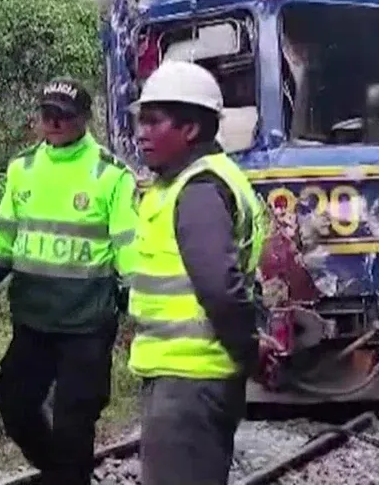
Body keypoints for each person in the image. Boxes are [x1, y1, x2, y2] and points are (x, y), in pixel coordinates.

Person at [0, 78, 137, 485]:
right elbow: (3, 238)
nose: (55, 122)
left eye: (64, 115)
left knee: (75, 420)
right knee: (13, 403)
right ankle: (62, 472)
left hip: (87, 323)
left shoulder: (111, 175)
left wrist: (138, 310)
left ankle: (67, 475)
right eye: (48, 114)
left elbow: (129, 249)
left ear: (84, 118)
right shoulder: (22, 169)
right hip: (33, 320)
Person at [124, 59, 268, 485]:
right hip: (186, 377)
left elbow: (220, 287)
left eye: (154, 121)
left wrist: (248, 351)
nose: (141, 133)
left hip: (190, 380)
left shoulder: (199, 190)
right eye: (141, 121)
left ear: (190, 129)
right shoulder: (186, 183)